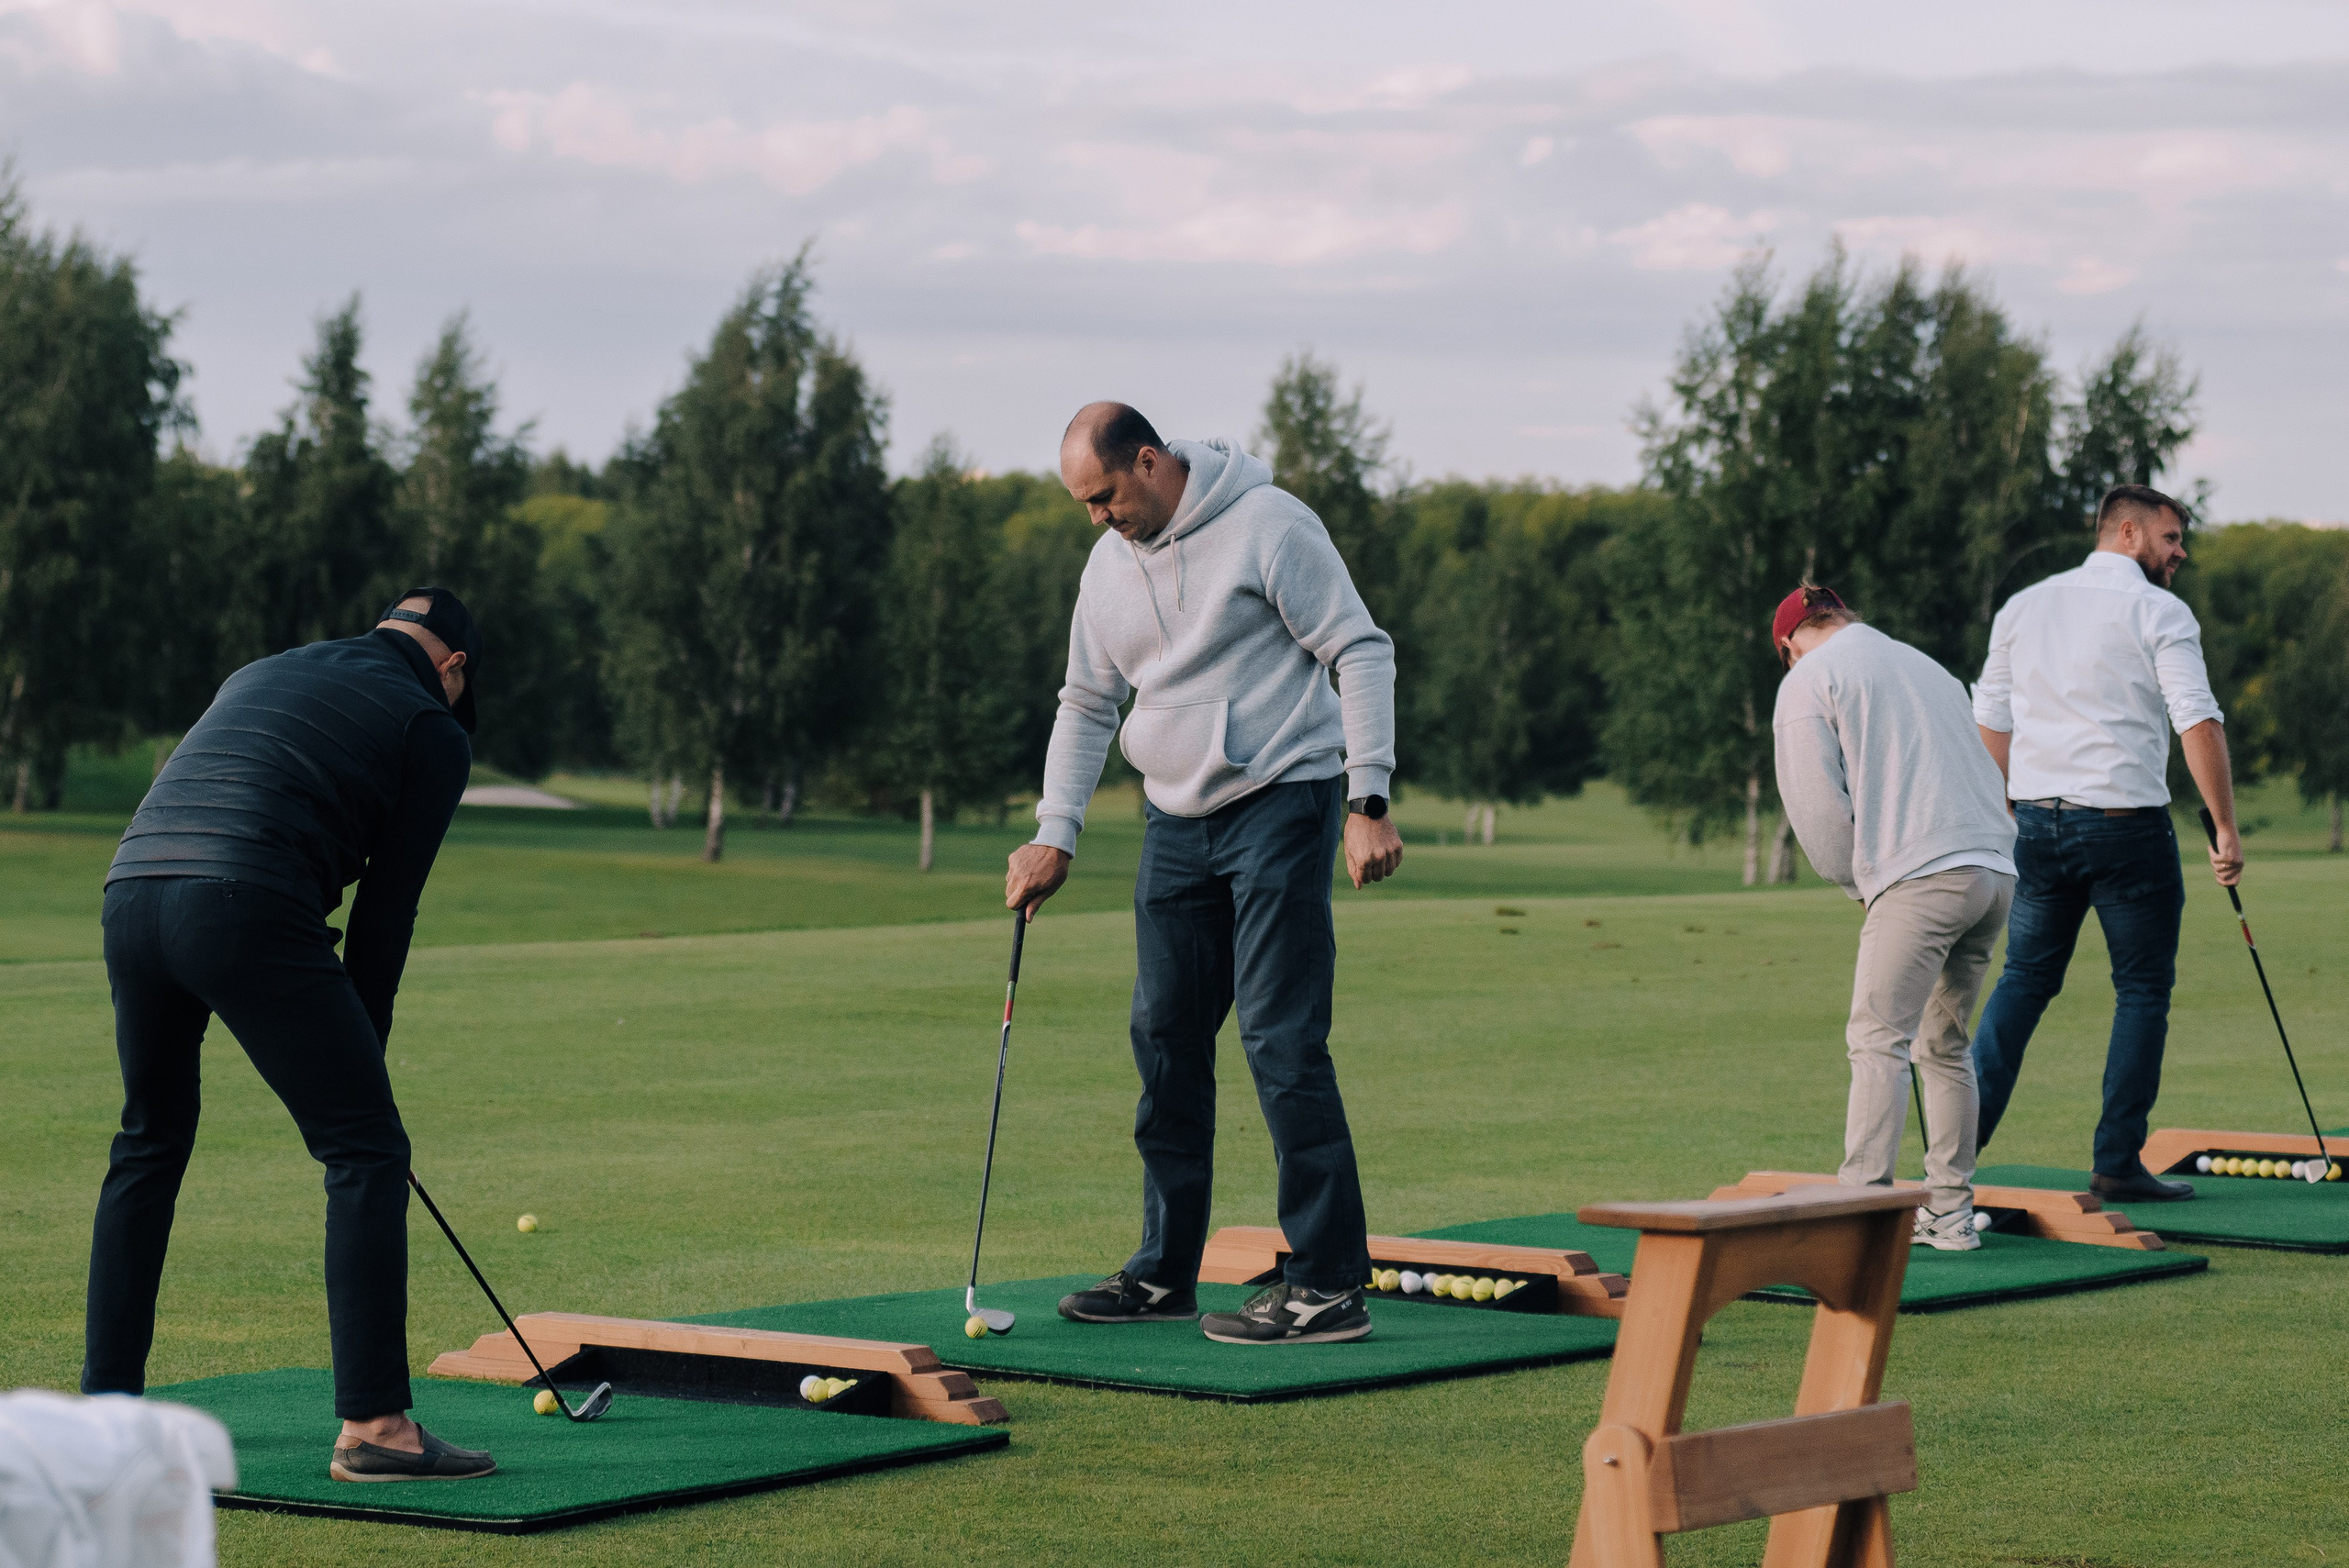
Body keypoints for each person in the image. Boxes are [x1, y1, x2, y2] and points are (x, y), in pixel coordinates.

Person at [1004, 403, 1403, 1345]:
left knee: (1280, 1037)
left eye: (1105, 495)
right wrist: (1053, 830)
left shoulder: (1269, 525)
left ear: (1149, 460)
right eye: (1082, 504)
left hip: (1280, 798)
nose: (1097, 517)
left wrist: (1368, 799)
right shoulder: (1106, 567)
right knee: (1165, 1038)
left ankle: (1327, 1281)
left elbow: (1360, 647)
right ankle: (1162, 1271)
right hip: (1172, 820)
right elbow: (1086, 700)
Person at [85, 589, 498, 1482]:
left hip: (132, 888)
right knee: (364, 1148)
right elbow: (385, 918)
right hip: (240, 896)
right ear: (455, 667)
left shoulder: (267, 667)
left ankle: (107, 1413)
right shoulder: (431, 726)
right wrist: (363, 1070)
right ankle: (378, 1427)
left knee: (147, 1141)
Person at [1969, 484, 2241, 1203]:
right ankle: (2117, 1161)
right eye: (2171, 538)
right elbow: (2199, 721)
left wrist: (2003, 810)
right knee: (2142, 991)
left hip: (2037, 824)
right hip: (2127, 828)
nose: (2180, 553)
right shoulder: (2159, 610)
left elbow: (1989, 721)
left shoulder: (2023, 606)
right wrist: (2225, 827)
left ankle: (1953, 1154)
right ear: (2127, 532)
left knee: (2023, 982)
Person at [1772, 584, 2019, 1250]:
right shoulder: (1925, 665)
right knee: (1944, 1044)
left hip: (1922, 871)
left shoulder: (1809, 680)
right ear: (1842, 615)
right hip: (1994, 868)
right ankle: (1950, 1213)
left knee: (1877, 1039)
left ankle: (1862, 1217)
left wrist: (1858, 882)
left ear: (1789, 645)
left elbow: (1818, 811)